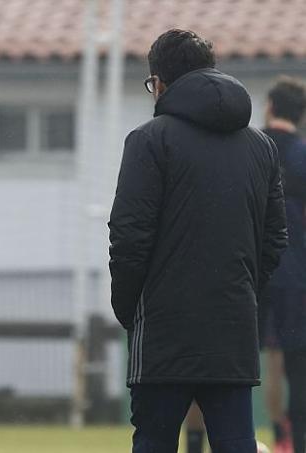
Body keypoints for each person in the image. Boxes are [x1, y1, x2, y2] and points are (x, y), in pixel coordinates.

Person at [108, 29, 288, 453]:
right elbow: (275, 238)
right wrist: (244, 292)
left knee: (153, 439)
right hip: (233, 322)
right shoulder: (261, 147)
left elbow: (129, 236)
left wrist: (128, 306)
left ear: (162, 82)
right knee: (236, 440)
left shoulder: (149, 141)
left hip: (162, 326)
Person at [261, 75, 306, 453]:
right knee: (296, 361)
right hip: (298, 276)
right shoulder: (303, 155)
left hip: (252, 273)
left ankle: (277, 434)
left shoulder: (250, 150)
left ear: (269, 106)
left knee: (258, 359)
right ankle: (294, 437)